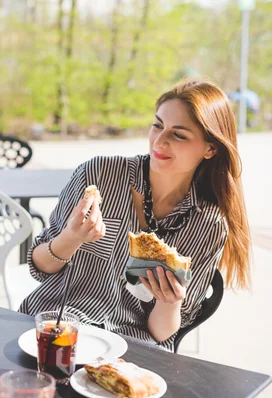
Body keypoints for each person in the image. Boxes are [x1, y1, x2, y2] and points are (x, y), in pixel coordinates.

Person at [19, 80, 252, 351]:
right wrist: (70, 239)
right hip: (55, 326)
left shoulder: (208, 225)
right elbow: (40, 267)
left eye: (179, 135)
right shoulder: (97, 175)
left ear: (210, 148)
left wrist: (170, 302)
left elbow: (162, 332)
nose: (159, 141)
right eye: (157, 125)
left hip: (129, 347)